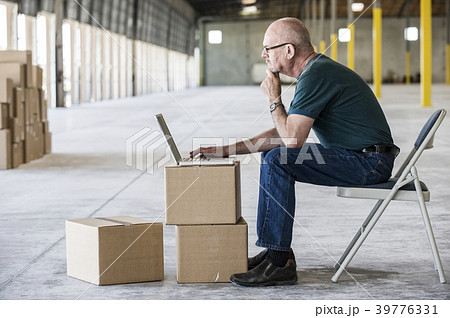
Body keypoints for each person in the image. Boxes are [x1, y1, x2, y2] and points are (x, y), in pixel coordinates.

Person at [190, 17, 399, 287]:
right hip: (363, 157)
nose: (263, 54)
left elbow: (290, 140)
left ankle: (279, 263)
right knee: (272, 156)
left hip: (370, 163)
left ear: (289, 50)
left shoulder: (316, 75)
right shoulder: (315, 72)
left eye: (268, 48)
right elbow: (287, 131)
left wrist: (274, 100)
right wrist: (227, 150)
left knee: (278, 160)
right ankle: (277, 252)